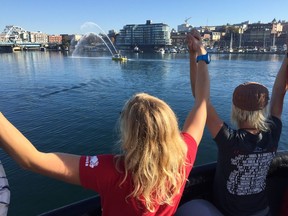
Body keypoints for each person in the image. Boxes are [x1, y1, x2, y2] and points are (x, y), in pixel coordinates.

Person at [0, 49, 210, 215]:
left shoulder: (111, 171)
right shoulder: (184, 155)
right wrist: (199, 56)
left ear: (129, 133)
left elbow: (31, 159)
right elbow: (201, 102)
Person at [185, 29, 287, 216]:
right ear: (263, 109)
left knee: (188, 207)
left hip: (227, 213)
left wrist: (198, 54)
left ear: (234, 109)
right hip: (262, 211)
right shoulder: (274, 132)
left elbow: (200, 98)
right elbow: (280, 90)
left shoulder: (230, 140)